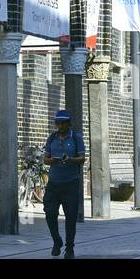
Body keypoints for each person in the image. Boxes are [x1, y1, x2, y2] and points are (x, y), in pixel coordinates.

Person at [42, 109, 85, 258]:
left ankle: (70, 248)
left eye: (63, 123)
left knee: (71, 217)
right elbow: (45, 158)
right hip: (54, 184)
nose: (59, 125)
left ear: (68, 123)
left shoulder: (76, 138)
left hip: (71, 184)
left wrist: (71, 160)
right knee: (50, 213)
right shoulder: (52, 138)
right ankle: (57, 241)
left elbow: (82, 158)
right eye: (57, 123)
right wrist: (50, 161)